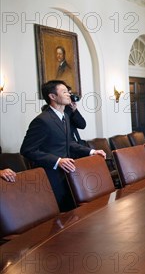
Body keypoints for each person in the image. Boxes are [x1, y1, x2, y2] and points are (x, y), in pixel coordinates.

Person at [20, 80, 106, 211]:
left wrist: (91, 152)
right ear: (52, 96)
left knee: (73, 210)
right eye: (64, 92)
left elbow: (69, 143)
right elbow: (27, 150)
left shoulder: (65, 116)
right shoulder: (42, 120)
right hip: (50, 176)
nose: (68, 95)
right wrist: (57, 161)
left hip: (67, 173)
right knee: (59, 215)